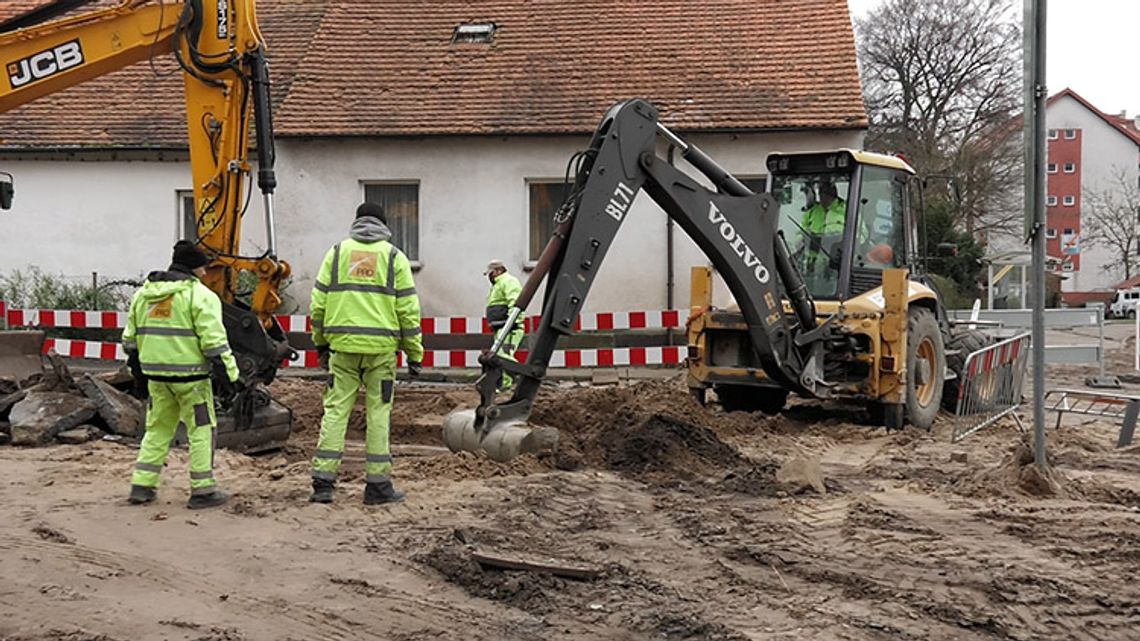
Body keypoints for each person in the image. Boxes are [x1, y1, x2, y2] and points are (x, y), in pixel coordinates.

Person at [308, 202, 423, 505]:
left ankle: (323, 484)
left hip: (342, 349)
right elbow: (408, 310)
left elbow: (317, 305)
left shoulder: (336, 253)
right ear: (384, 226)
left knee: (335, 412)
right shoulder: (394, 257)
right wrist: (415, 354)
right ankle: (378, 485)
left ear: (357, 223)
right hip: (381, 352)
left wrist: (320, 344)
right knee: (378, 414)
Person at [122, 240, 239, 510]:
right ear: (196, 267)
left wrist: (139, 376)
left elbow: (130, 341)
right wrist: (231, 378)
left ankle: (142, 486)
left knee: (157, 429)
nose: (206, 273)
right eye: (203, 267)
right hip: (192, 382)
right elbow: (215, 345)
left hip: (157, 379)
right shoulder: (200, 296)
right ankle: (202, 490)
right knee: (200, 430)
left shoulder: (144, 295)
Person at [483, 259, 523, 391]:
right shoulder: (498, 284)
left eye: (491, 273)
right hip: (502, 327)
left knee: (502, 356)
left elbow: (515, 301)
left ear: (498, 270)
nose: (490, 276)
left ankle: (522, 376)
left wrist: (514, 321)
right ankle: (505, 384)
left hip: (509, 327)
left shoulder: (508, 281)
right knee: (501, 355)